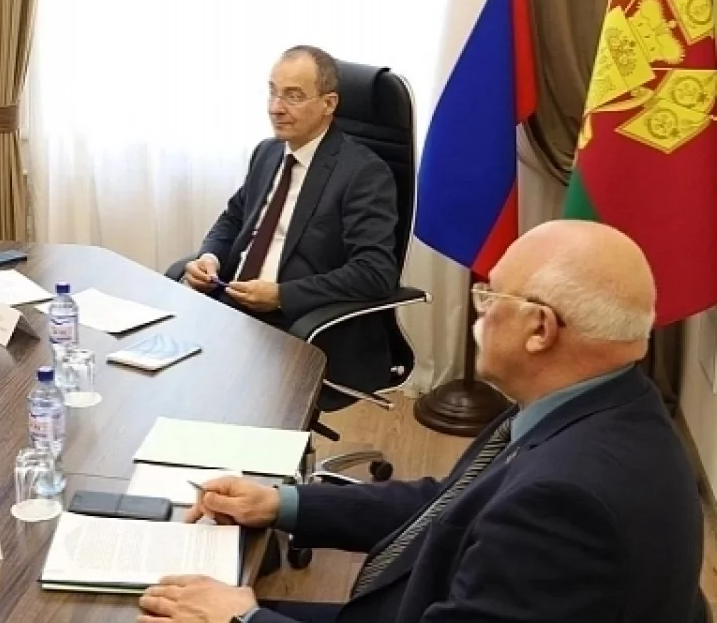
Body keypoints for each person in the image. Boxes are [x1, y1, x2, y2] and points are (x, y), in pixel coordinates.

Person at [141, 220, 706, 623]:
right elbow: (448, 504)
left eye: (490, 298)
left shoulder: (564, 503)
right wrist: (282, 504)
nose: (480, 313)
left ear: (540, 329)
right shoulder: (603, 406)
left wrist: (243, 619)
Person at [179, 45, 399, 393]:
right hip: (232, 304)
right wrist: (210, 257)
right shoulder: (267, 152)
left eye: (293, 96)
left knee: (201, 385)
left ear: (328, 104)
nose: (275, 108)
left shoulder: (364, 173)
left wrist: (282, 295)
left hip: (299, 323)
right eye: (273, 91)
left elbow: (375, 272)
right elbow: (233, 218)